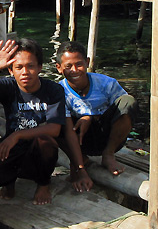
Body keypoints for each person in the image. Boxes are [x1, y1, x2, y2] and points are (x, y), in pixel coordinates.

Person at [0, 38, 66, 206]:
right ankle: (9, 182)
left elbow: (54, 129)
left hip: (38, 154)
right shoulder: (9, 86)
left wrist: (18, 135)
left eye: (30, 66)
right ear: (11, 69)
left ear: (39, 68)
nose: (25, 72)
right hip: (11, 152)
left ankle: (44, 183)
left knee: (46, 142)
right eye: (19, 67)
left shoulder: (53, 90)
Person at [56, 41, 135, 189]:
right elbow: (65, 128)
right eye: (68, 66)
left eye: (79, 64)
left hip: (107, 137)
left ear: (87, 62)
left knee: (128, 101)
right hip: (79, 140)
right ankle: (80, 161)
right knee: (51, 120)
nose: (74, 70)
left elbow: (122, 110)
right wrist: (79, 167)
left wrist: (90, 117)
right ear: (59, 68)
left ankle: (108, 154)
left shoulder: (106, 83)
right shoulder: (59, 92)